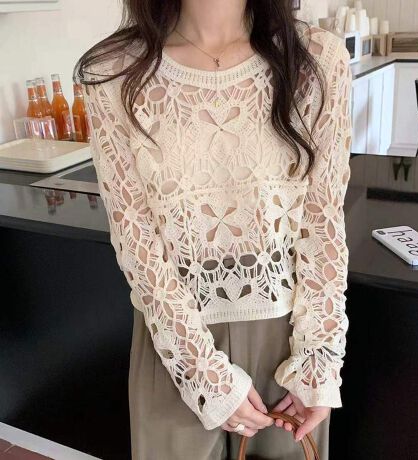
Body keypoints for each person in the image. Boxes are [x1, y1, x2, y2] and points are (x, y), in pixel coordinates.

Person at [74, 1, 352, 458]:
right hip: (175, 340)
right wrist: (202, 372)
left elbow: (323, 224)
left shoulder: (316, 60)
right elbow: (135, 237)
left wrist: (319, 359)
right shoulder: (114, 73)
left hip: (288, 341)